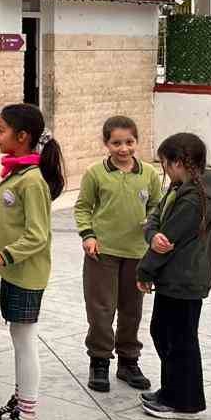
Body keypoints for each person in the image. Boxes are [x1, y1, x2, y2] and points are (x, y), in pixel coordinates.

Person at [0, 103, 63, 420]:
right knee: (18, 338)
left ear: (22, 137)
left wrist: (1, 255)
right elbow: (15, 221)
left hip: (25, 273)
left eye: (1, 130)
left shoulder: (32, 180)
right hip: (14, 273)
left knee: (25, 342)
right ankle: (19, 403)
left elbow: (37, 235)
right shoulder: (17, 173)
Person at [138, 133, 211, 420]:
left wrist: (145, 269)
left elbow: (169, 239)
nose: (163, 169)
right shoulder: (179, 188)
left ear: (177, 163)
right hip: (174, 278)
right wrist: (152, 236)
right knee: (164, 332)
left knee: (180, 339)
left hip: (185, 279)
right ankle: (171, 389)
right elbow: (155, 221)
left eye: (164, 163)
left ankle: (184, 401)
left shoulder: (194, 199)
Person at [74, 115, 163, 394]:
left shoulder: (149, 173)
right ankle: (99, 361)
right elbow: (83, 207)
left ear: (136, 141)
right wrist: (88, 236)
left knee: (131, 310)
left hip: (137, 253)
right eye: (116, 143)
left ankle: (128, 361)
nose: (123, 149)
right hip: (103, 252)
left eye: (129, 142)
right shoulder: (94, 173)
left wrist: (151, 225)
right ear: (106, 144)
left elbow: (157, 207)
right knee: (101, 309)